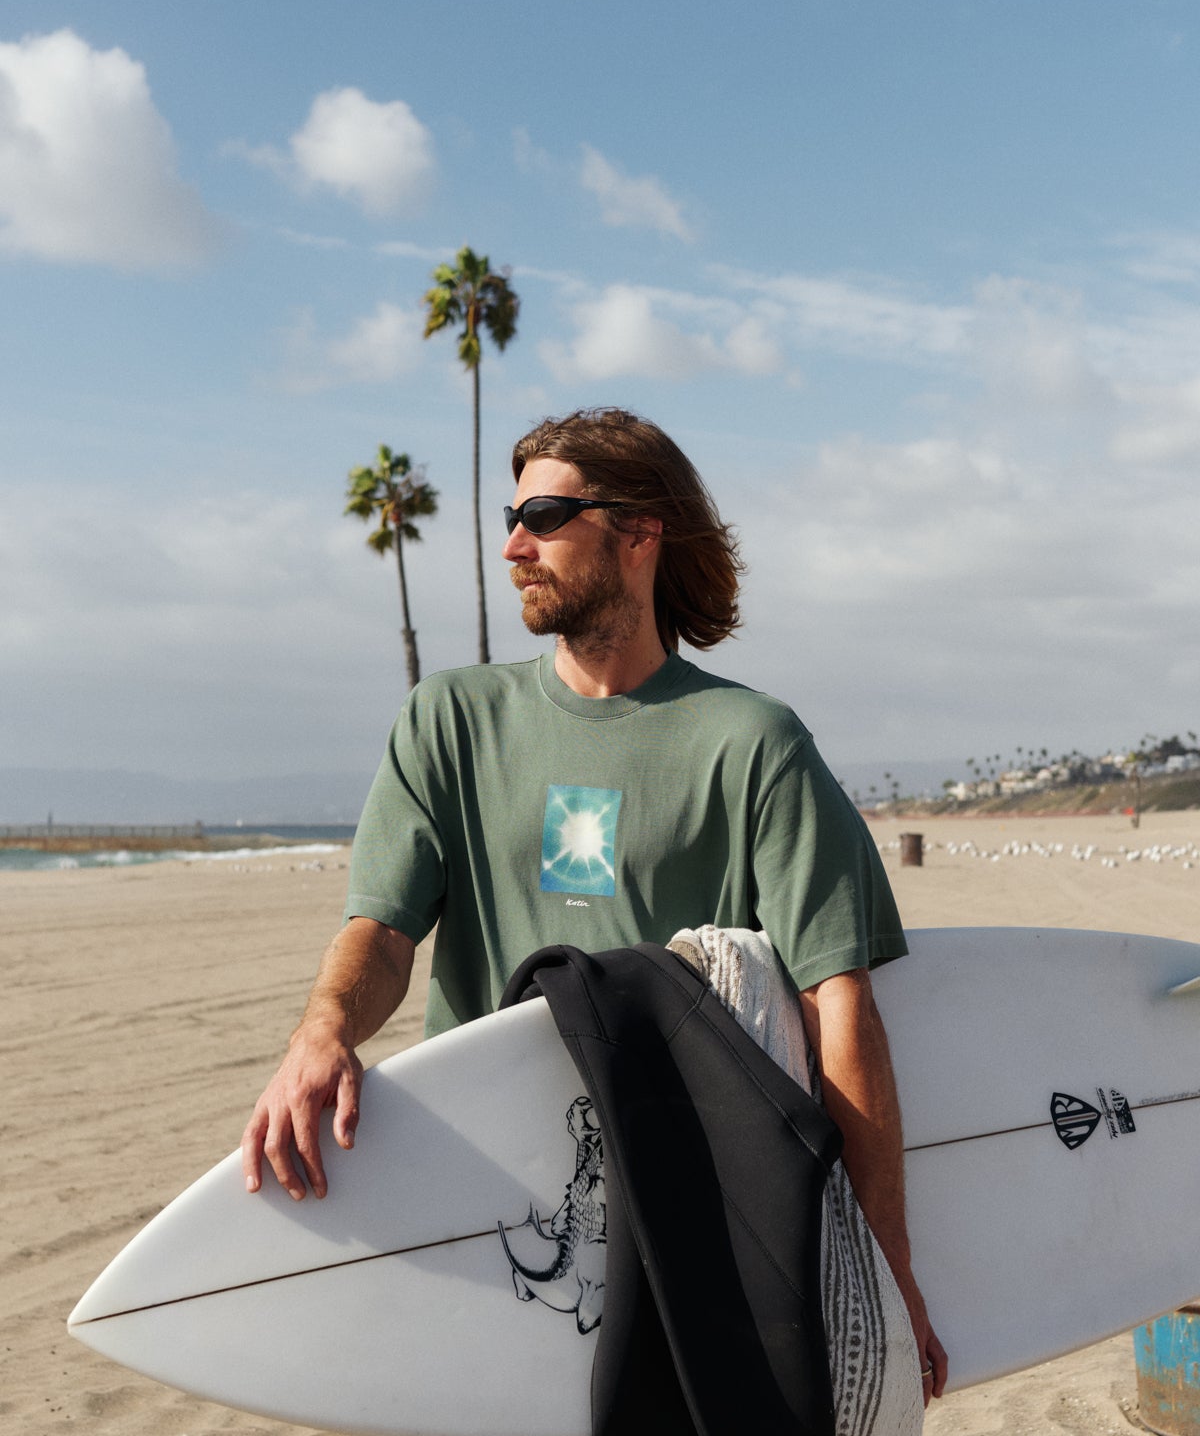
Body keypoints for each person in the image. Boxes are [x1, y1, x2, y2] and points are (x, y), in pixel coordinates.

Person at [241, 406, 947, 1405]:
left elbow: (842, 1006)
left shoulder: (752, 744)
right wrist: (322, 1033)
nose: (511, 543)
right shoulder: (450, 720)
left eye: (544, 514)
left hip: (693, 1221)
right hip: (495, 1191)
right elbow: (384, 928)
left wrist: (882, 1273)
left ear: (639, 533)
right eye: (510, 514)